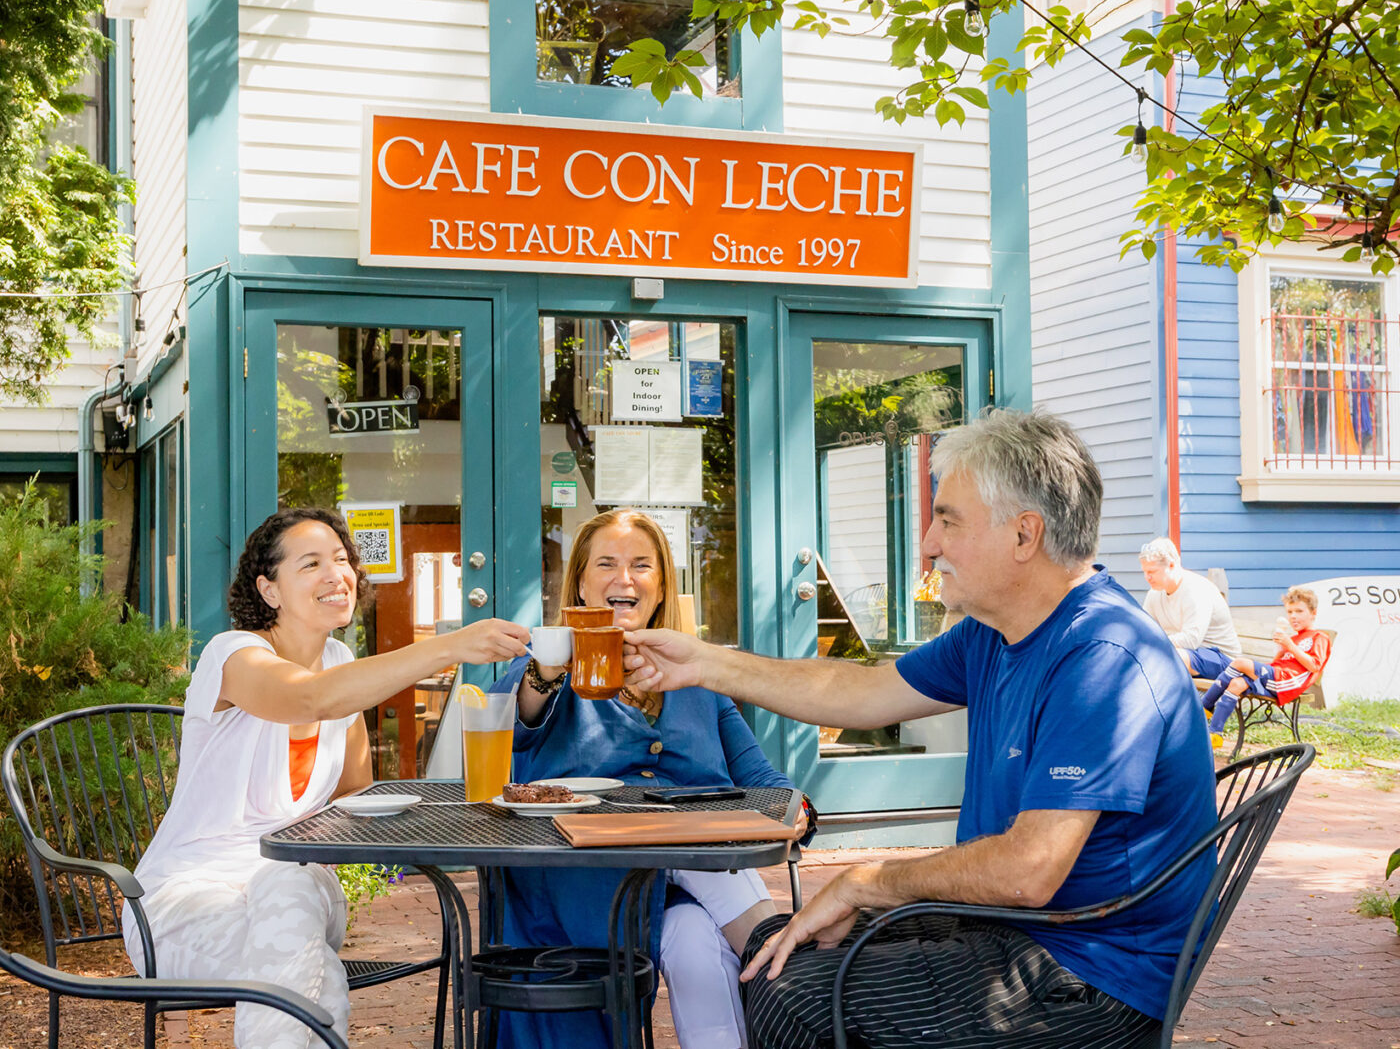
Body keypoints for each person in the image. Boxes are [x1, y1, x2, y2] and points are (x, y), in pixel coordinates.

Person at [625, 409, 1218, 1049]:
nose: (929, 543)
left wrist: (870, 881)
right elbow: (860, 691)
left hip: (1089, 976)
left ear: (1025, 535)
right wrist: (706, 663)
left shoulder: (1102, 655)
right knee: (782, 955)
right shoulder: (996, 633)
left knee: (794, 1001)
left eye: (949, 519)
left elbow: (1030, 869)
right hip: (1010, 926)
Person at [122, 507, 530, 1049]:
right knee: (306, 965)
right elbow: (307, 699)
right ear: (269, 591)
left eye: (341, 559)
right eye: (311, 563)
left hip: (298, 886)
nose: (337, 574)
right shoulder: (234, 654)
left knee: (287, 888)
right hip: (186, 902)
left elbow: (355, 794)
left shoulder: (338, 659)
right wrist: (449, 646)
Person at [496, 508, 810, 1049]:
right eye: (607, 565)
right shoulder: (546, 669)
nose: (625, 578)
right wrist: (549, 666)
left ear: (661, 584)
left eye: (642, 565)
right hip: (589, 878)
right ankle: (793, 970)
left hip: (681, 884)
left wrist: (797, 808)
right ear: (580, 582)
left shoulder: (696, 675)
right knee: (712, 868)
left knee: (695, 947)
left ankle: (777, 966)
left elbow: (759, 776)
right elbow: (514, 723)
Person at [1200, 585, 1331, 749]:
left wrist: (1290, 646)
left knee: (1240, 662)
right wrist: (1283, 649)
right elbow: (1278, 663)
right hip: (1275, 678)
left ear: (1313, 613)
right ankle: (1215, 734)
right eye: (1290, 612)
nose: (1293, 616)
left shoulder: (1320, 637)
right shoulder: (1294, 638)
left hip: (1286, 683)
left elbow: (1313, 666)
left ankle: (1205, 706)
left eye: (1299, 611)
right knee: (1236, 684)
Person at [1139, 537, 1242, 679]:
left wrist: (1154, 644)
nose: (1147, 577)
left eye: (1152, 572)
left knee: (1172, 657)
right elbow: (1144, 630)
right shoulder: (1154, 594)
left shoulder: (1196, 589)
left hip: (1222, 659)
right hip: (1185, 656)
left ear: (1171, 565)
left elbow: (1191, 640)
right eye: (1144, 571)